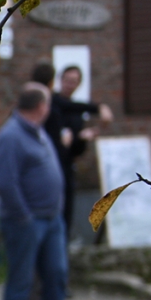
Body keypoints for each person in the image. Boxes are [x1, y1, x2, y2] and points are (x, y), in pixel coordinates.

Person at [0, 82, 82, 300]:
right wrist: (24, 217)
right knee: (21, 282)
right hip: (27, 221)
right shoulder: (11, 136)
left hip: (51, 218)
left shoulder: (36, 131)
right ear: (41, 107)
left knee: (56, 276)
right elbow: (7, 183)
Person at [33, 63, 113, 243]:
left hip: (67, 166)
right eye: (67, 80)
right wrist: (98, 108)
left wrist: (82, 138)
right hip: (51, 166)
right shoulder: (52, 103)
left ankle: (62, 246)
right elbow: (64, 114)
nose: (70, 84)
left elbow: (75, 147)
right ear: (59, 81)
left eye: (74, 81)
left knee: (67, 209)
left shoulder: (76, 113)